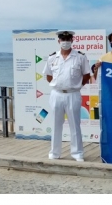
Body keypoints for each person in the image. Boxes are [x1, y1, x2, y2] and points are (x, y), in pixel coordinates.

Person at [42, 30, 91, 162]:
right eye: (63, 39)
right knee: (56, 124)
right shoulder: (52, 57)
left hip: (73, 94)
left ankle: (77, 153)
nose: (65, 42)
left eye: (68, 39)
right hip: (56, 94)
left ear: (72, 40)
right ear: (59, 41)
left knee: (75, 125)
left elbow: (86, 75)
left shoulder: (80, 57)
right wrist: (58, 84)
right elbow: (48, 75)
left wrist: (76, 86)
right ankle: (55, 152)